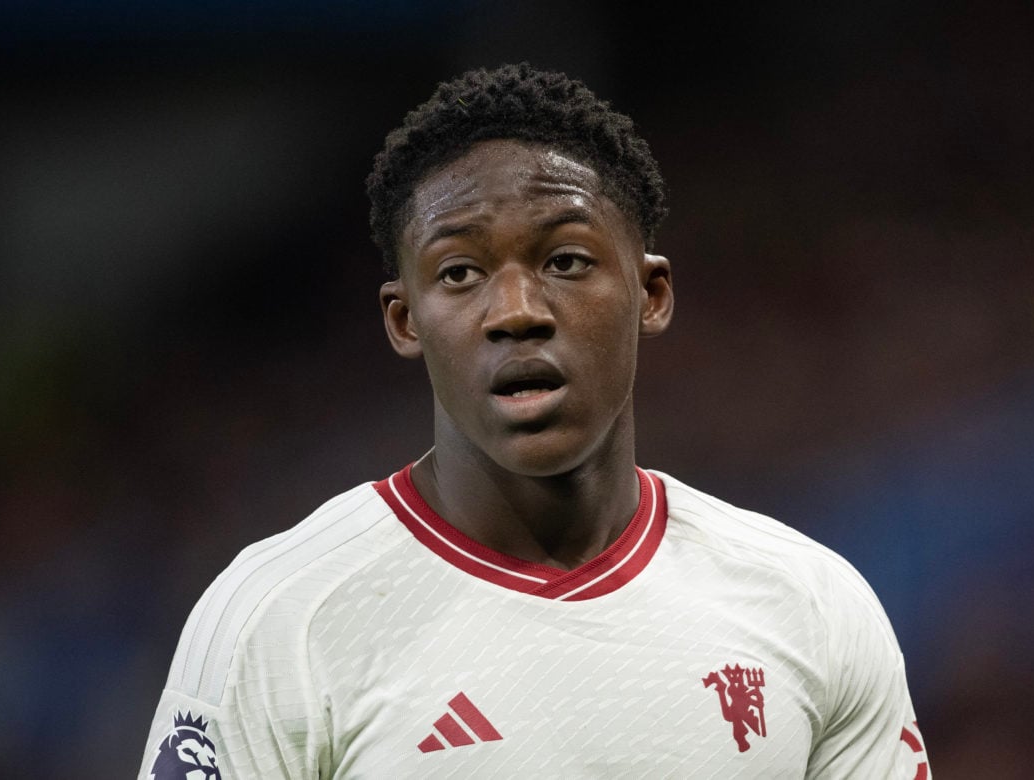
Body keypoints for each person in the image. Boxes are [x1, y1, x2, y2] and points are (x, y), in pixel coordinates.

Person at [140, 63, 930, 779]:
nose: (515, 312)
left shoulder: (812, 606)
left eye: (566, 261)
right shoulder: (279, 619)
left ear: (650, 294)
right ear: (404, 319)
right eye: (459, 273)